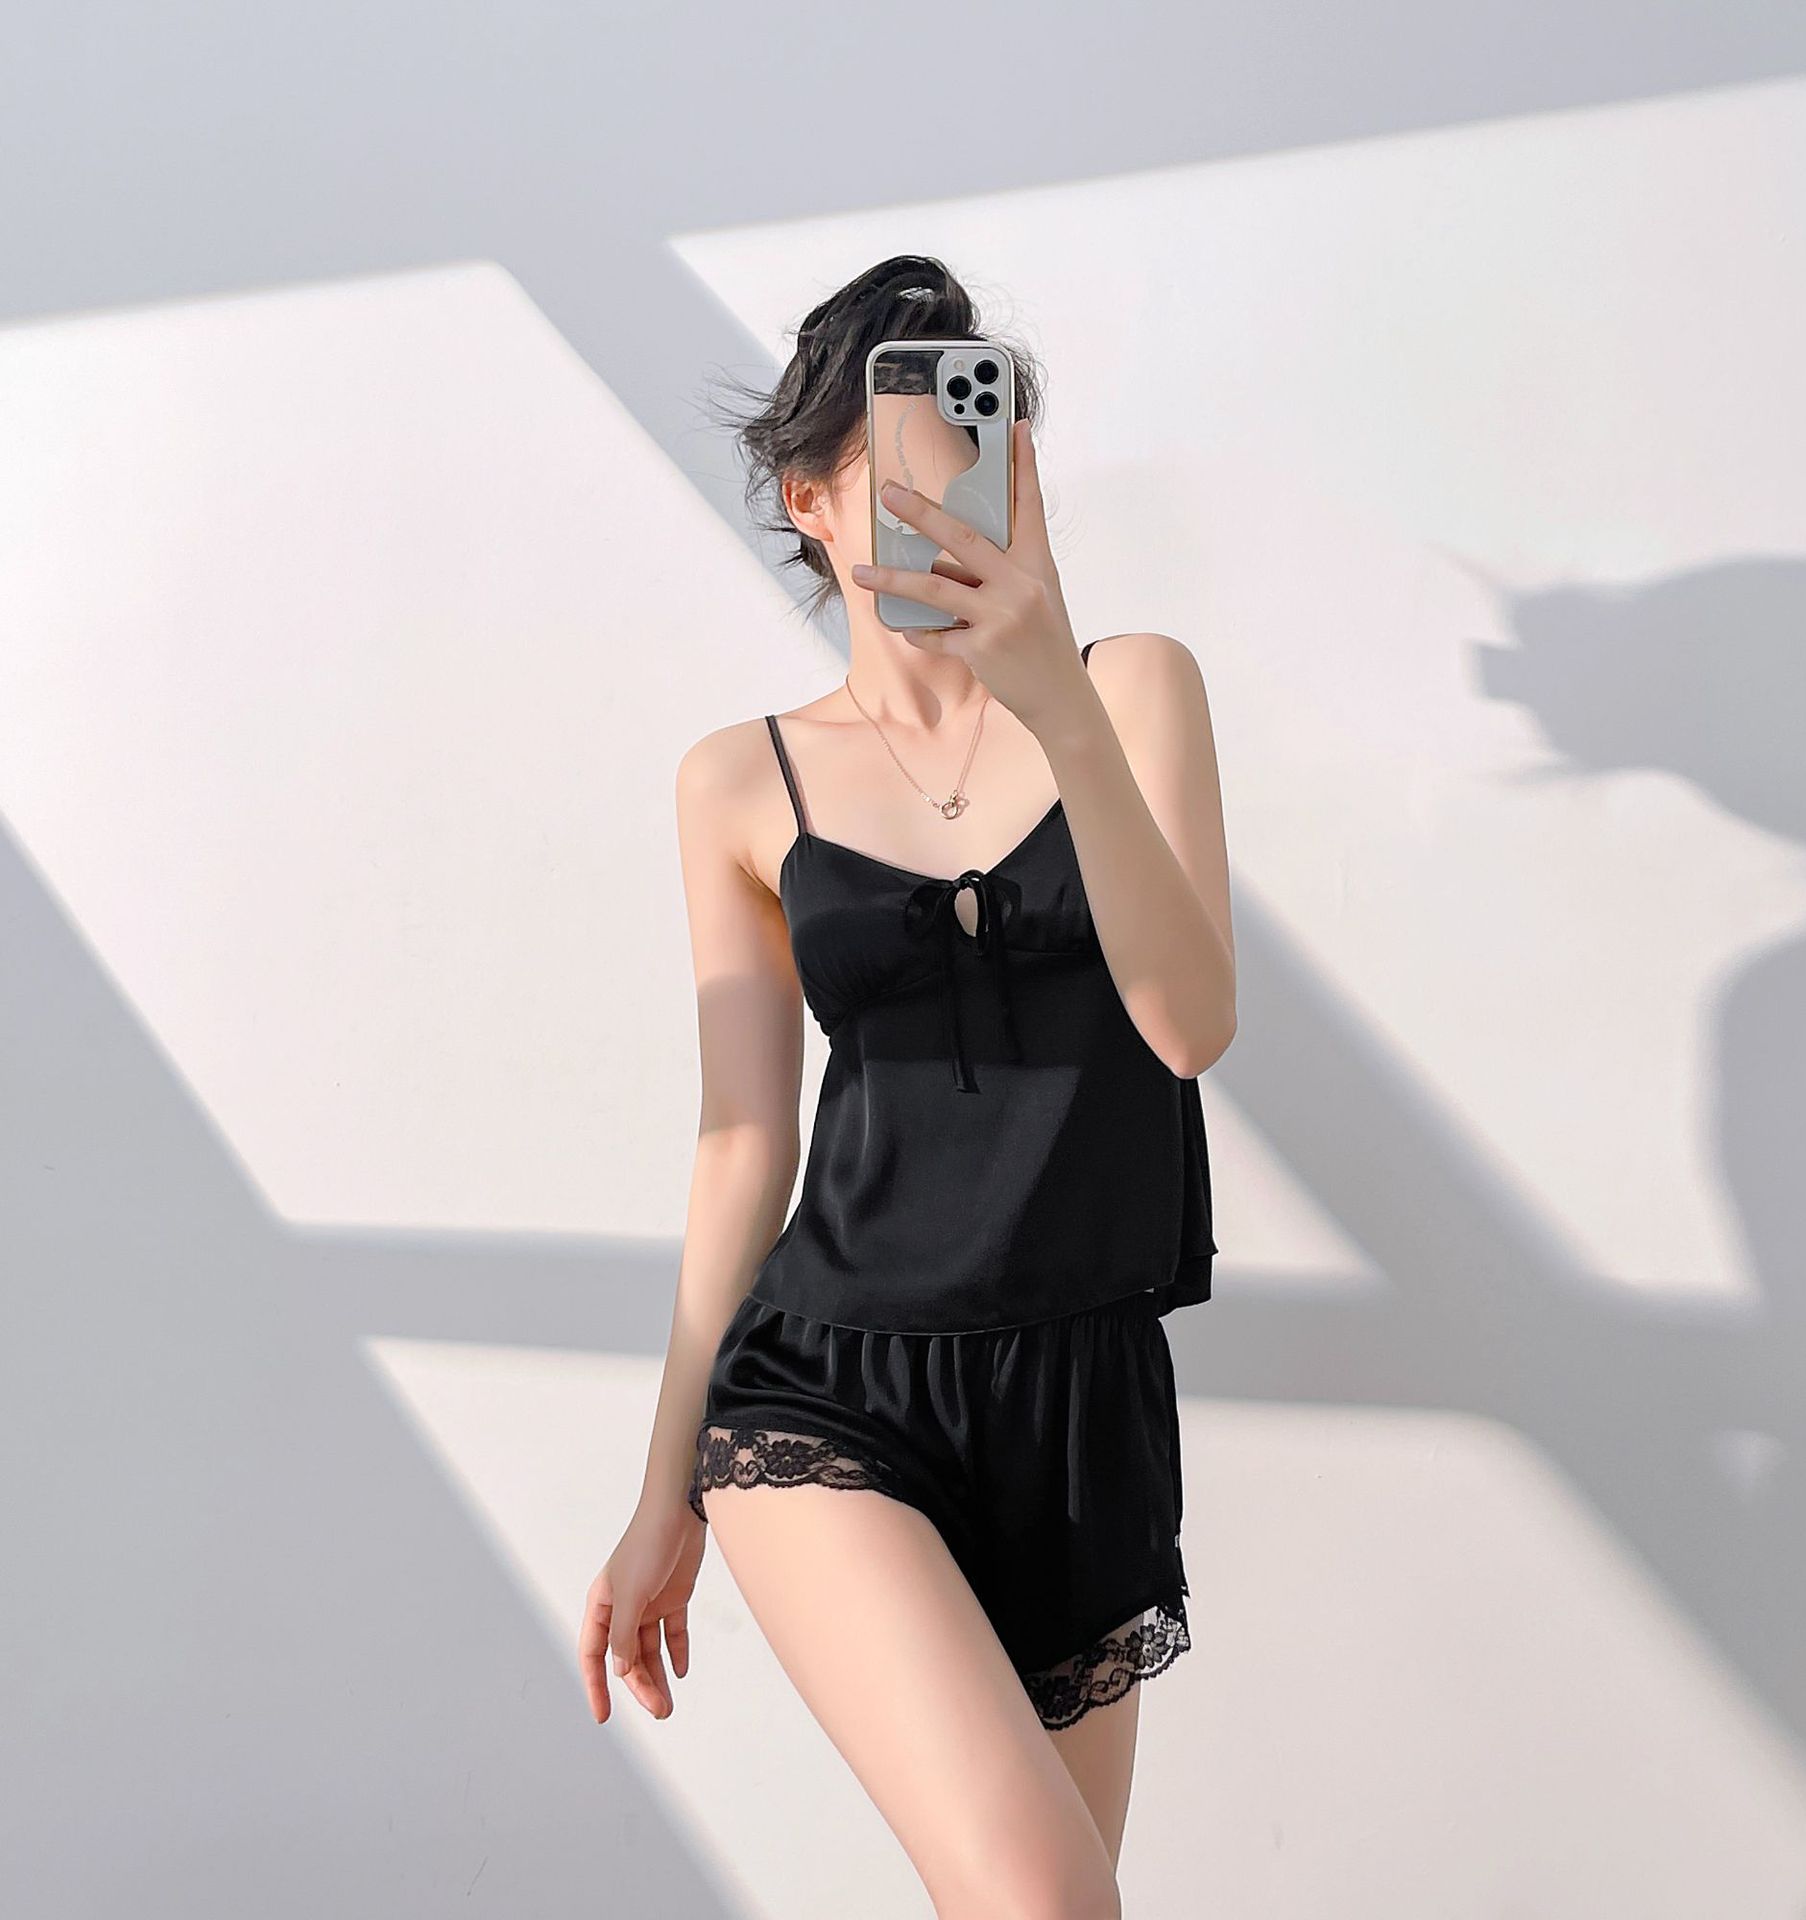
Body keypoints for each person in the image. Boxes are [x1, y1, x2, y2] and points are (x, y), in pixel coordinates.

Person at [577, 257, 1234, 1916]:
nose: (952, 505)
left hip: (1081, 1402)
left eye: (980, 456)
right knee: (1045, 1899)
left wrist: (1056, 699)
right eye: (904, 468)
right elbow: (743, 1144)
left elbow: (1189, 1025)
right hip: (831, 1391)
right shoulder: (741, 781)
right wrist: (664, 1492)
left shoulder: (1132, 687)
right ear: (810, 500)